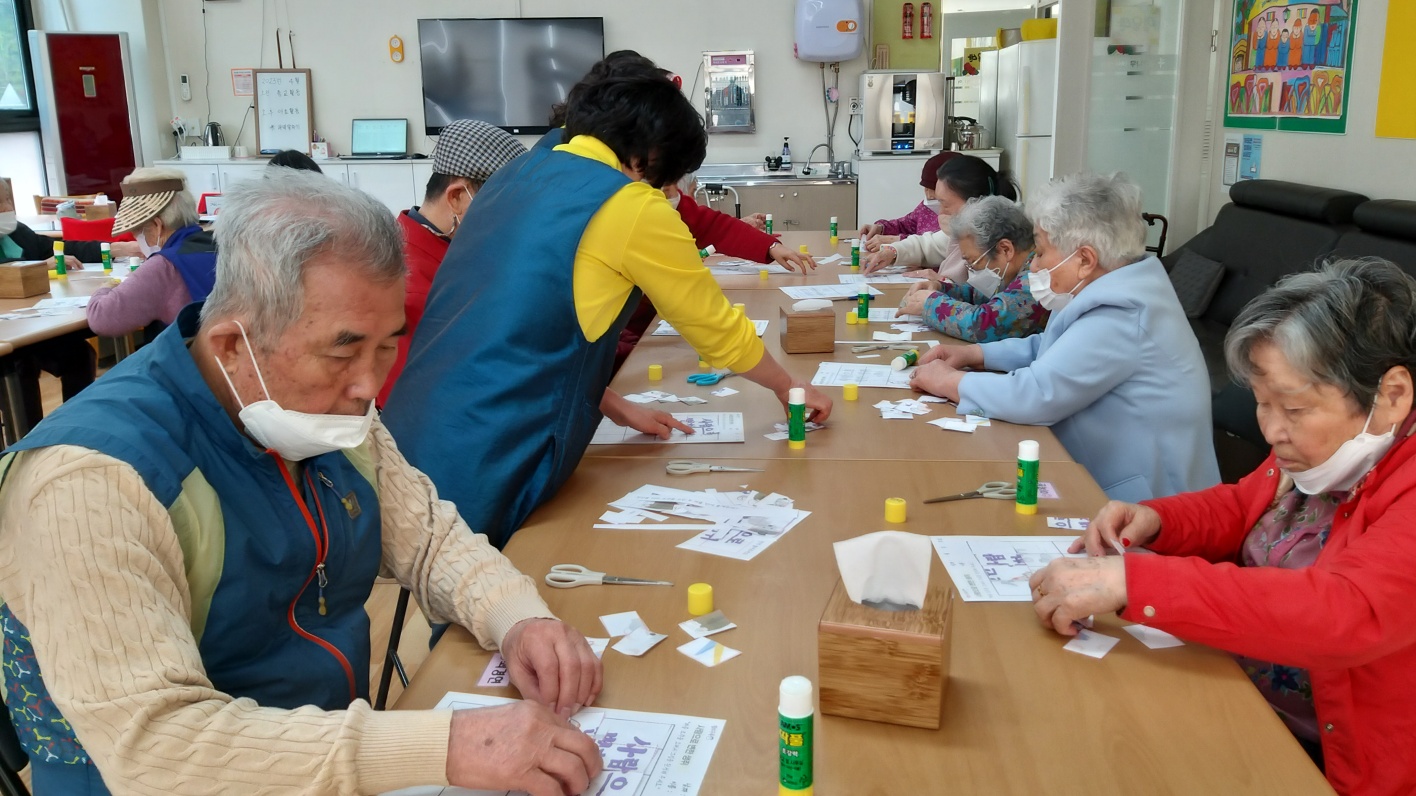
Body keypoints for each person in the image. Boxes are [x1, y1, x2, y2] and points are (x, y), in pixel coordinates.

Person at [0, 170, 604, 795]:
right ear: (233, 345)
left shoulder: (320, 411)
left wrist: (519, 619)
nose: (369, 385)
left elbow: (428, 538)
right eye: (342, 353)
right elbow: (157, 747)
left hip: (322, 751)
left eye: (386, 347)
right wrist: (443, 746)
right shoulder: (89, 482)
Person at [384, 62, 833, 550]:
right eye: (665, 178)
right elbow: (716, 329)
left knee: (436, 568)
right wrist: (789, 387)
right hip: (493, 446)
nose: (666, 191)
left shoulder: (516, 177)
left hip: (413, 436)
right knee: (485, 573)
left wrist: (615, 407)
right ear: (648, 155)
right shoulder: (630, 205)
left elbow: (522, 329)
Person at [1029, 259, 1416, 796]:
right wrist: (1159, 520)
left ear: (1392, 396)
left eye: (1294, 409)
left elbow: (1348, 612)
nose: (1272, 431)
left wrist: (1137, 583)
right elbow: (1243, 508)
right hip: (1231, 686)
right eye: (1262, 405)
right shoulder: (1328, 449)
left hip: (1322, 760)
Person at [909, 172, 1218, 501]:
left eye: (1041, 252)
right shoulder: (1106, 287)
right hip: (1100, 469)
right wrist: (976, 355)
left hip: (1149, 501)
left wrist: (949, 381)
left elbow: (1036, 394)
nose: (1034, 266)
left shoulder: (1122, 315)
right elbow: (1052, 347)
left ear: (1085, 259)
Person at [377, 119, 528, 406]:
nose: (510, 222)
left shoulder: (448, 247)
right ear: (457, 196)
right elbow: (412, 405)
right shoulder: (407, 283)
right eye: (503, 209)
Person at [0, 177, 99, 421]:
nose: (8, 207)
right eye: (1, 202)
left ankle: (75, 425)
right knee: (19, 366)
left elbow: (56, 249)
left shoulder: (16, 232)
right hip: (5, 336)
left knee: (78, 353)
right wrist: (39, 267)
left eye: (8, 199)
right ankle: (28, 437)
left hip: (26, 323)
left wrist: (114, 249)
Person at [86, 168, 217, 338]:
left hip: (187, 353)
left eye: (137, 233)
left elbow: (101, 318)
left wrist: (104, 289)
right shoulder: (220, 244)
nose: (138, 240)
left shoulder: (164, 266)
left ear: (156, 226)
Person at [898, 195, 1049, 343]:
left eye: (973, 261)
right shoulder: (1014, 270)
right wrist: (940, 288)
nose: (972, 269)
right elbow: (979, 295)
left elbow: (983, 325)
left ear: (1005, 249)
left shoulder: (1036, 278)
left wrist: (930, 304)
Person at [862, 155, 1019, 284]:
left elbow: (982, 298)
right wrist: (892, 252)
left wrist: (943, 283)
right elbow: (929, 245)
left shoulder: (996, 244)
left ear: (976, 203)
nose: (941, 212)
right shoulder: (967, 231)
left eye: (945, 204)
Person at [856, 151, 954, 244]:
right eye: (926, 188)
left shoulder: (958, 218)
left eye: (933, 189)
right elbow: (905, 225)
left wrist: (897, 240)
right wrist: (881, 228)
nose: (929, 195)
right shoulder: (925, 209)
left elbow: (936, 244)